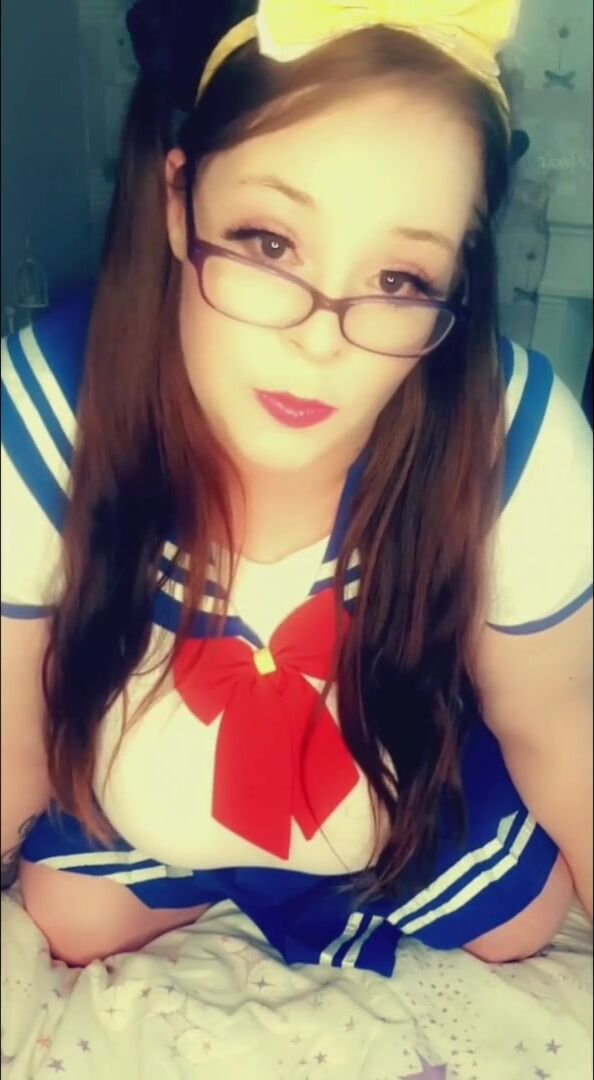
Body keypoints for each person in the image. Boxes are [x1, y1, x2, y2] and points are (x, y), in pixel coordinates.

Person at [1, 0, 592, 974]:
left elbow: (559, 724)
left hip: (393, 789)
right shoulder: (48, 407)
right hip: (142, 786)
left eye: (400, 279)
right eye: (270, 243)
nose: (318, 341)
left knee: (521, 920)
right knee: (68, 913)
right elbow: (11, 738)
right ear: (179, 201)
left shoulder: (510, 433)